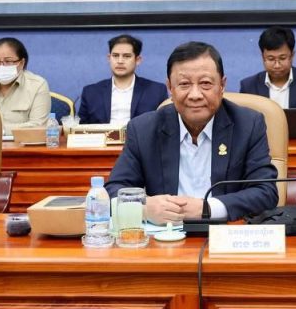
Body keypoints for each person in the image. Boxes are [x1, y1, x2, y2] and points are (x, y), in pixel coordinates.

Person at [107, 41, 278, 223]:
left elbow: (266, 192)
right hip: (165, 235)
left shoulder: (248, 125)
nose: (195, 95)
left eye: (205, 83)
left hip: (226, 232)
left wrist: (207, 208)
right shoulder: (143, 129)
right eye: (184, 84)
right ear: (170, 88)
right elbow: (113, 190)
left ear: (222, 85)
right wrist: (143, 208)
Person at [239, 26, 296, 136]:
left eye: (282, 58)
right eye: (271, 59)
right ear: (263, 57)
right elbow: (242, 123)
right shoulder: (249, 86)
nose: (277, 65)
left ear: (292, 56)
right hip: (264, 144)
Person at [77, 34, 168, 125]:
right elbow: (80, 128)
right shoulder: (90, 92)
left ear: (138, 60)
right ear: (109, 58)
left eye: (127, 56)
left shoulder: (156, 91)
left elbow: (164, 125)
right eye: (115, 56)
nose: (120, 61)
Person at [0, 37, 50, 135]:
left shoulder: (37, 85)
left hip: (22, 143)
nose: (2, 66)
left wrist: (1, 130)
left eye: (8, 61)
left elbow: (38, 126)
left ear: (21, 63)